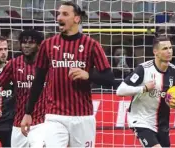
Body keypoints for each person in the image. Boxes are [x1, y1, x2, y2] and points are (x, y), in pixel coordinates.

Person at [21, 1, 115, 147]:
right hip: (54, 115)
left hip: (83, 117)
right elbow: (38, 81)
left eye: (65, 14)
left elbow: (109, 79)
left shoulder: (92, 45)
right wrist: (28, 112)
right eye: (58, 14)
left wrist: (88, 75)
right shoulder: (48, 45)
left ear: (76, 18)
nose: (59, 17)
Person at [116, 36, 175, 147]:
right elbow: (120, 90)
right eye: (165, 48)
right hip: (141, 121)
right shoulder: (143, 69)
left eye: (170, 48)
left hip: (162, 125)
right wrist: (144, 88)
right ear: (155, 52)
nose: (169, 51)